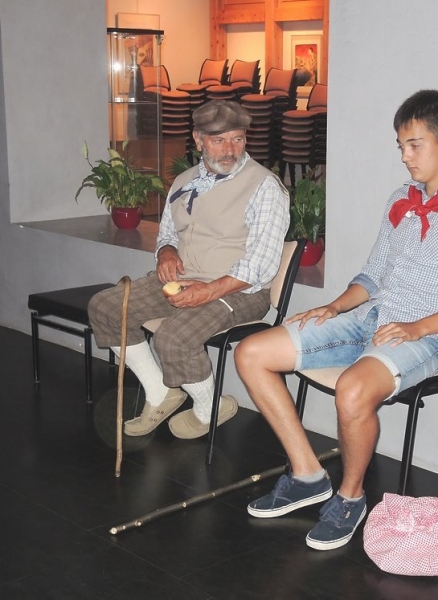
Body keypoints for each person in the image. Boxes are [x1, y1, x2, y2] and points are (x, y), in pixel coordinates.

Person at [234, 89, 438, 551]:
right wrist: (336, 306)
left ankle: (350, 497)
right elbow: (374, 273)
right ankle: (307, 474)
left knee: (352, 389)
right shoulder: (402, 198)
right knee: (252, 352)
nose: (404, 156)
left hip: (431, 336)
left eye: (414, 145)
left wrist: (417, 328)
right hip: (374, 316)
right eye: (401, 145)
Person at [88, 100, 290, 440]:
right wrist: (166, 252)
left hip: (240, 290)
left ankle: (210, 408)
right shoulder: (184, 180)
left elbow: (261, 265)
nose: (230, 150)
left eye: (238, 139)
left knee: (173, 338)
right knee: (107, 307)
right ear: (198, 139)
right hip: (184, 280)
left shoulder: (264, 186)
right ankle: (160, 392)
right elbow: (168, 233)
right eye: (219, 140)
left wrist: (208, 290)